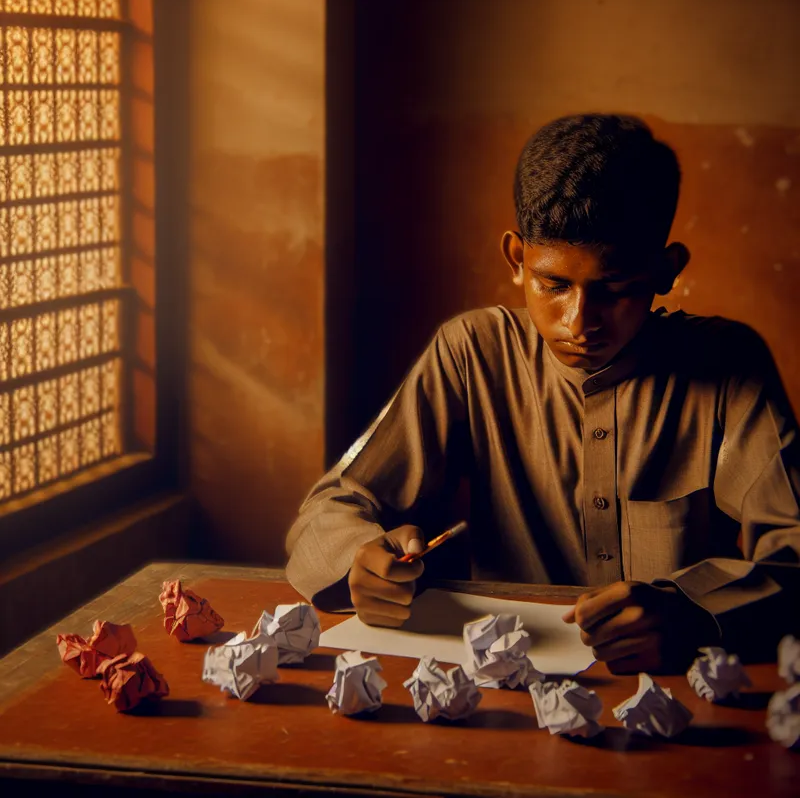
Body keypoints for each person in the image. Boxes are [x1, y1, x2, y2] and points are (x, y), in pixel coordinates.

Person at [285, 114, 800, 674]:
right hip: (506, 692)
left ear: (665, 270)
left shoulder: (726, 366)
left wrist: (693, 611)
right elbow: (328, 510)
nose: (579, 322)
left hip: (682, 692)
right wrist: (360, 558)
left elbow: (794, 557)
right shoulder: (471, 354)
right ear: (517, 259)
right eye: (553, 285)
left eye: (615, 290)